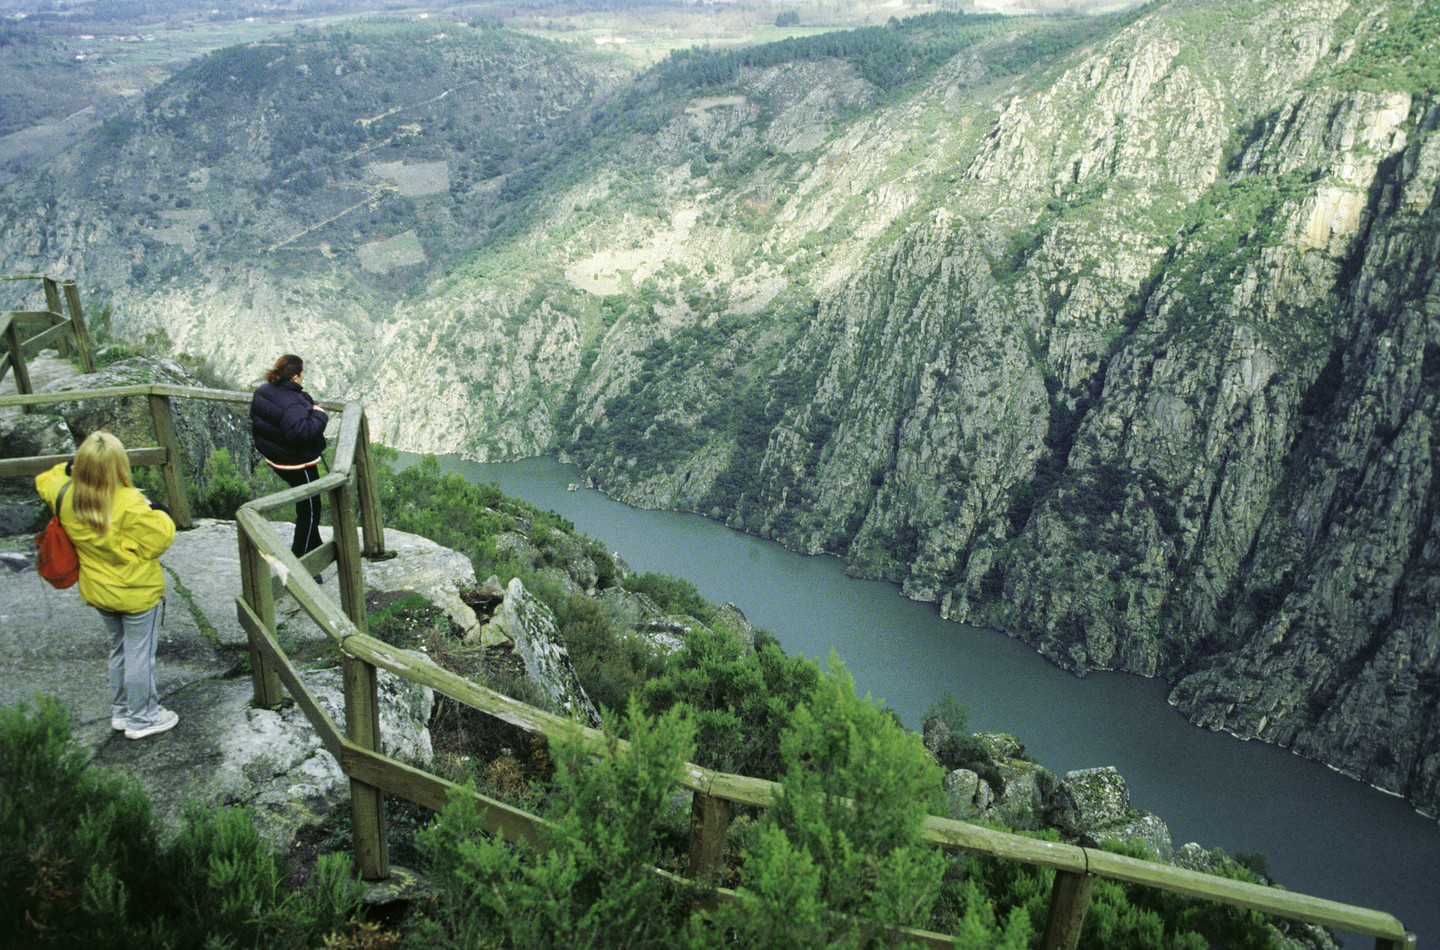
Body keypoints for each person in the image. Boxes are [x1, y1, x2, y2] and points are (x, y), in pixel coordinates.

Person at [36, 431, 178, 740]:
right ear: (118, 467)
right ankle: (143, 719)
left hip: (98, 591)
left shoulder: (64, 493)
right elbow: (160, 539)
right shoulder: (127, 501)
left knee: (119, 650)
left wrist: (73, 466)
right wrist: (161, 512)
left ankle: (121, 711)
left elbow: (45, 477)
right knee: (140, 655)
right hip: (136, 594)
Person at [250, 354, 329, 565]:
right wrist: (319, 414)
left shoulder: (263, 391)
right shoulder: (293, 401)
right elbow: (300, 433)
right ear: (295, 377)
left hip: (276, 459)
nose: (303, 378)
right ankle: (300, 564)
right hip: (297, 463)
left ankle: (317, 548)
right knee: (310, 510)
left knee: (307, 505)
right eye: (302, 374)